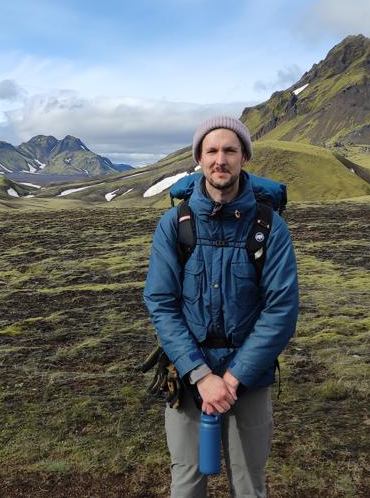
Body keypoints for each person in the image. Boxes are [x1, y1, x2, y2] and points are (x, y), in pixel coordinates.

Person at [143, 116, 300, 497]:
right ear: (198, 158)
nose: (220, 160)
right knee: (187, 482)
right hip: (188, 376)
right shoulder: (174, 223)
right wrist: (200, 374)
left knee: (249, 485)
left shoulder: (269, 226)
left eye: (230, 150)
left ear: (244, 156)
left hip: (248, 381)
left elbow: (281, 308)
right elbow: (161, 302)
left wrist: (231, 379)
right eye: (211, 150)